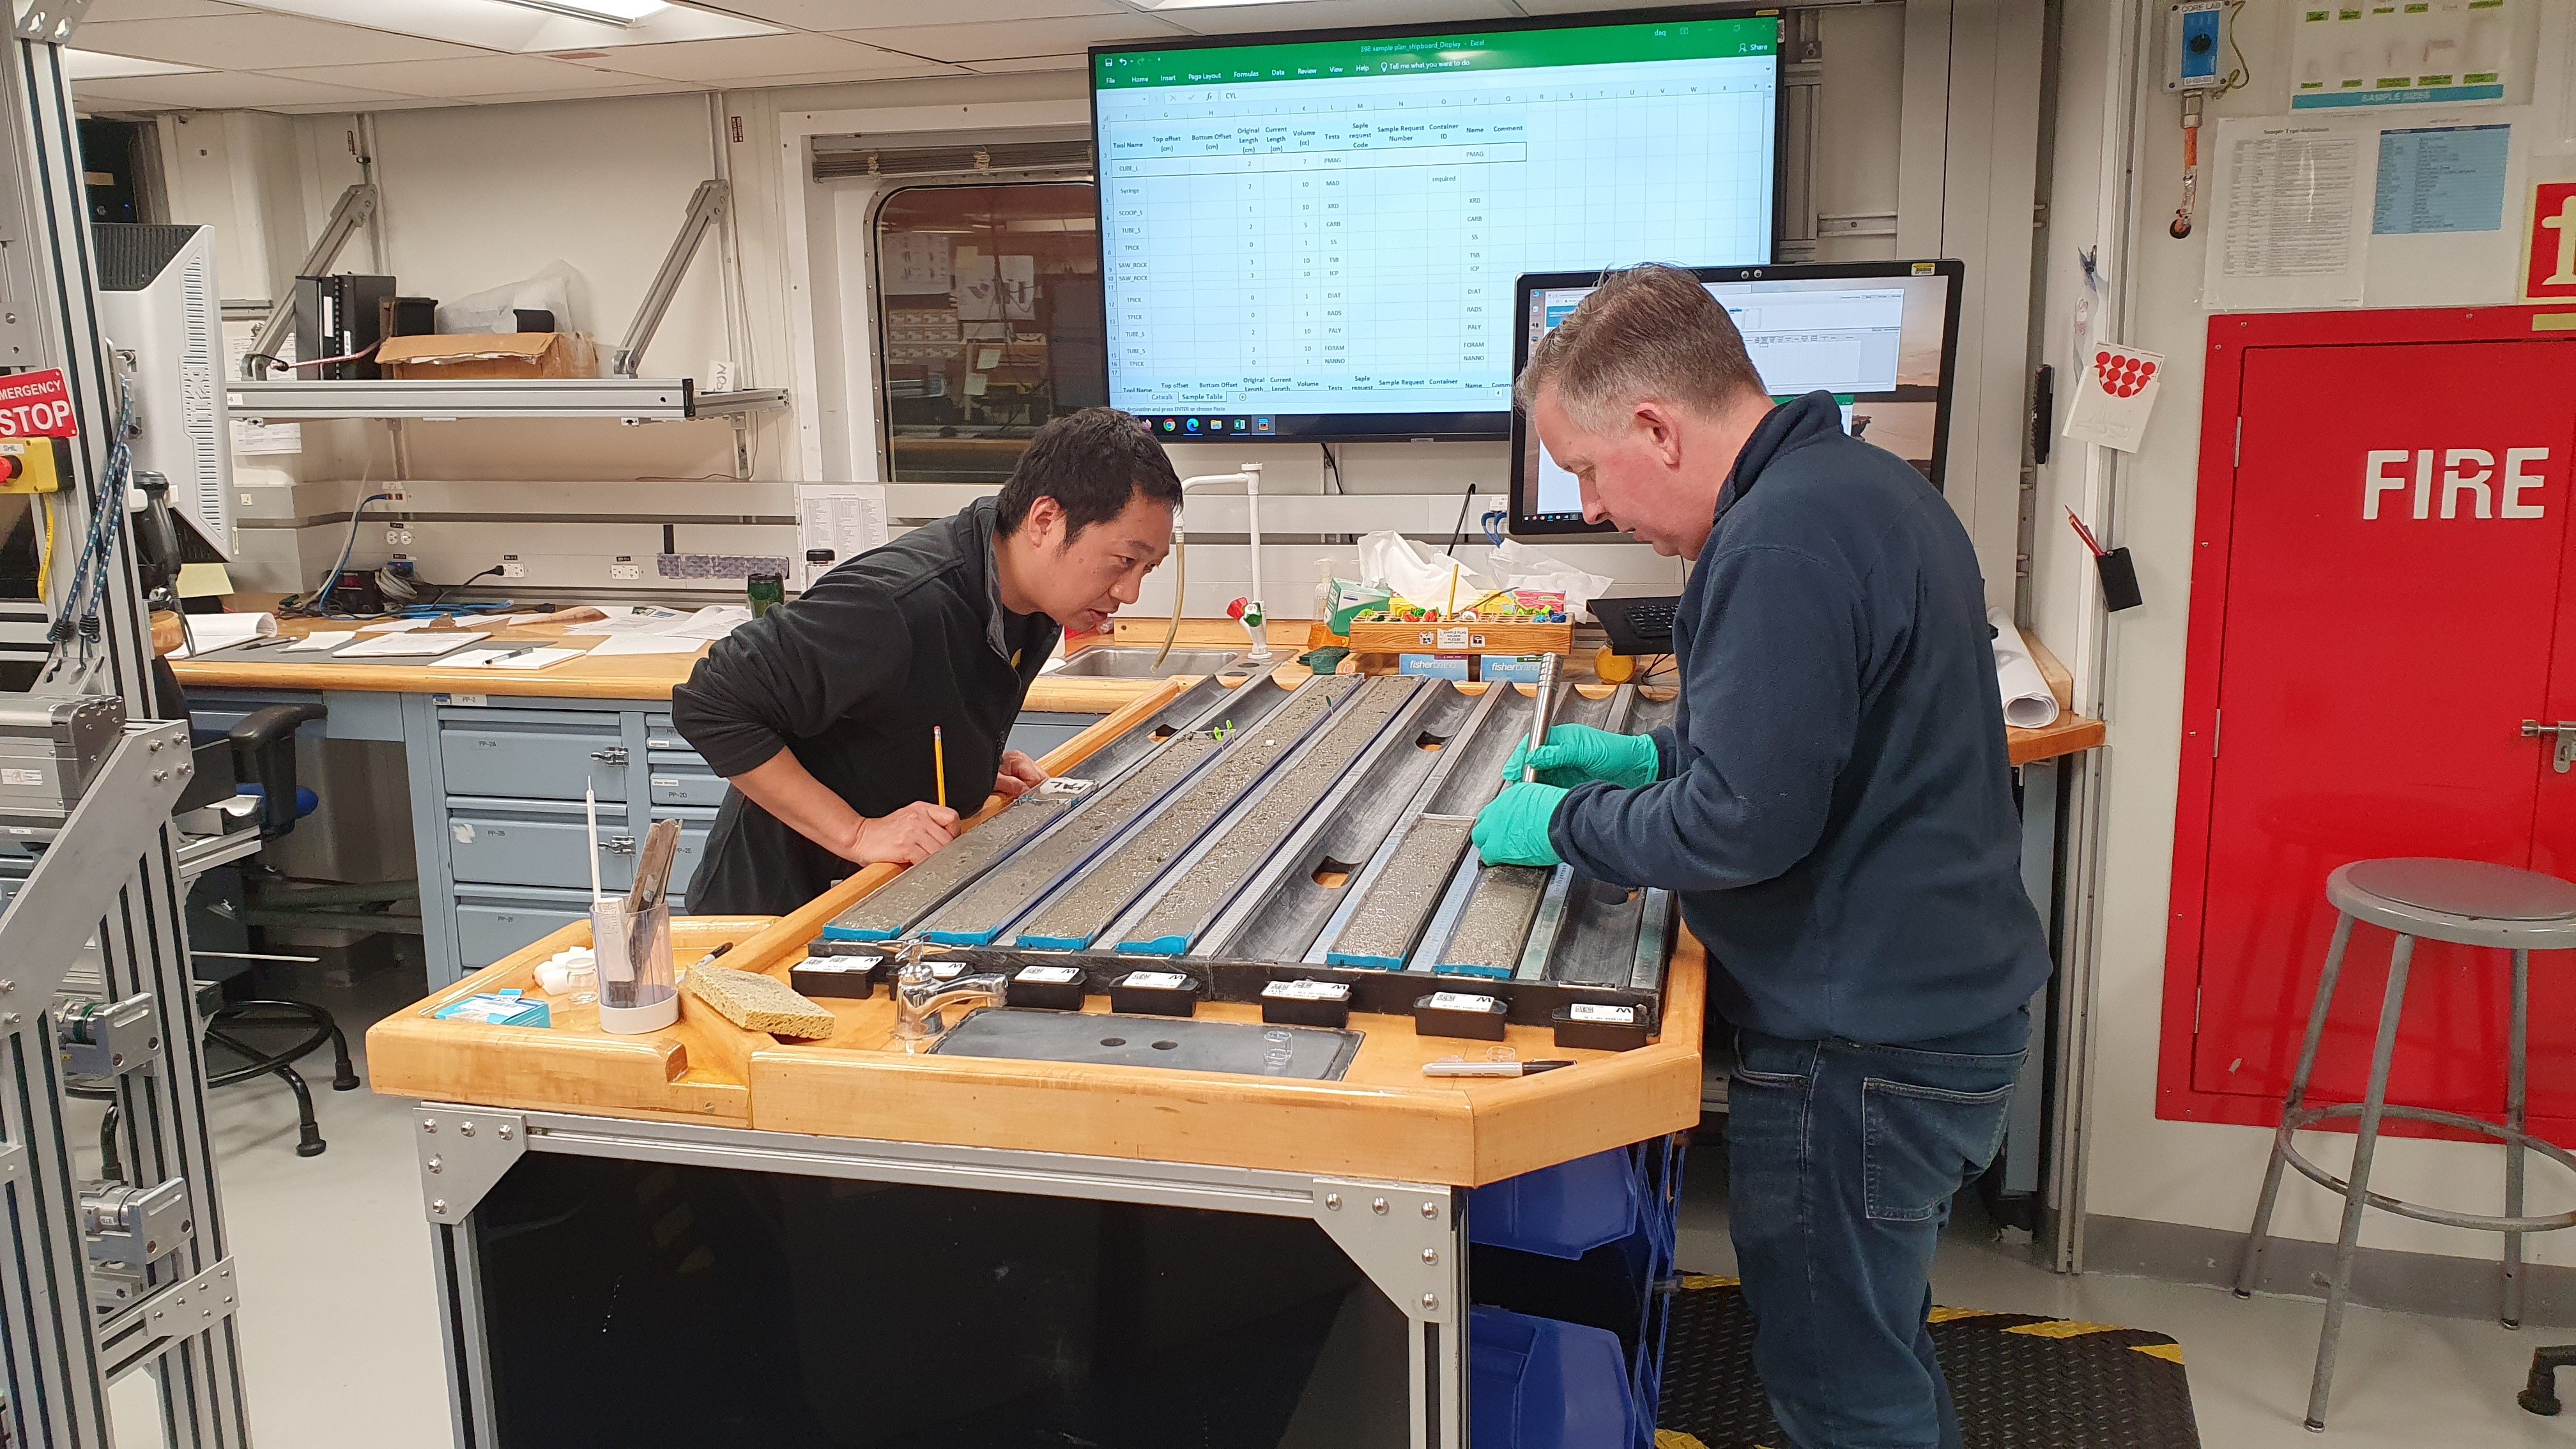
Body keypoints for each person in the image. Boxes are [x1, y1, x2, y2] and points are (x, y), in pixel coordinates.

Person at [1472, 264, 2050, 1449]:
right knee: (1872, 1333)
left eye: (1584, 468)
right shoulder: (1855, 486)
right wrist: (1653, 758)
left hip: (1864, 1048)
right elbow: (1815, 737)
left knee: (1843, 1384)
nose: (1587, 506)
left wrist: (1568, 827)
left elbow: (1743, 824)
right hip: (1930, 1010)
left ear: (1654, 426)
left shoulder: (1778, 540)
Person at [672, 408, 1180, 916]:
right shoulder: (893, 604)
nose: (1129, 592)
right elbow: (710, 702)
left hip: (880, 897)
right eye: (1123, 561)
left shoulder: (1031, 598)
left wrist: (972, 764)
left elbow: (906, 702)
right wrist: (856, 834)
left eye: (1147, 569)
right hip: (774, 911)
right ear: (1045, 521)